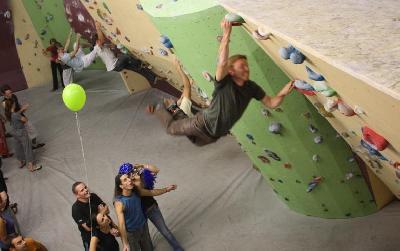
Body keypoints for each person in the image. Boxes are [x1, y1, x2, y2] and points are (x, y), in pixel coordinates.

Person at [150, 19, 294, 146]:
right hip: (201, 125)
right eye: (242, 66)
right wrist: (226, 34)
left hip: (213, 136)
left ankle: (177, 111)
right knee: (172, 129)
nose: (246, 69)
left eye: (247, 66)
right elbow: (222, 62)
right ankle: (159, 108)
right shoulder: (224, 82)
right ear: (231, 71)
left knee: (196, 142)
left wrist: (283, 93)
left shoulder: (252, 88)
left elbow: (271, 103)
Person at [119, 163, 184, 251]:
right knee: (145, 234)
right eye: (128, 175)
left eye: (133, 171)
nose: (133, 174)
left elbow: (155, 171)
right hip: (139, 214)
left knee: (164, 230)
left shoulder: (141, 176)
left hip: (151, 208)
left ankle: (178, 248)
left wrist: (142, 165)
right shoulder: (128, 188)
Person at [0, 85, 45, 150]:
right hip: (16, 121)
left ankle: (33, 145)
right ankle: (29, 149)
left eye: (11, 92)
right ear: (3, 94)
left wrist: (22, 108)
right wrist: (22, 109)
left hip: (21, 117)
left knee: (32, 131)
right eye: (8, 94)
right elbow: (13, 116)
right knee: (24, 136)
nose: (10, 94)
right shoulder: (4, 103)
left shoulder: (13, 96)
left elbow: (18, 105)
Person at [71, 182, 112, 251]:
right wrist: (101, 213)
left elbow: (107, 210)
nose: (86, 190)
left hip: (104, 232)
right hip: (90, 238)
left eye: (85, 187)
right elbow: (88, 228)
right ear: (77, 195)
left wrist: (100, 216)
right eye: (82, 190)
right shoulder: (75, 209)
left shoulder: (93, 196)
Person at [4, 100, 41, 172]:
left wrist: (21, 110)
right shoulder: (15, 114)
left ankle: (21, 161)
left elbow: (15, 116)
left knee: (18, 147)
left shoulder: (8, 114)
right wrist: (22, 111)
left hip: (14, 132)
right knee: (28, 148)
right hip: (21, 132)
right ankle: (31, 166)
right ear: (13, 105)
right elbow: (25, 120)